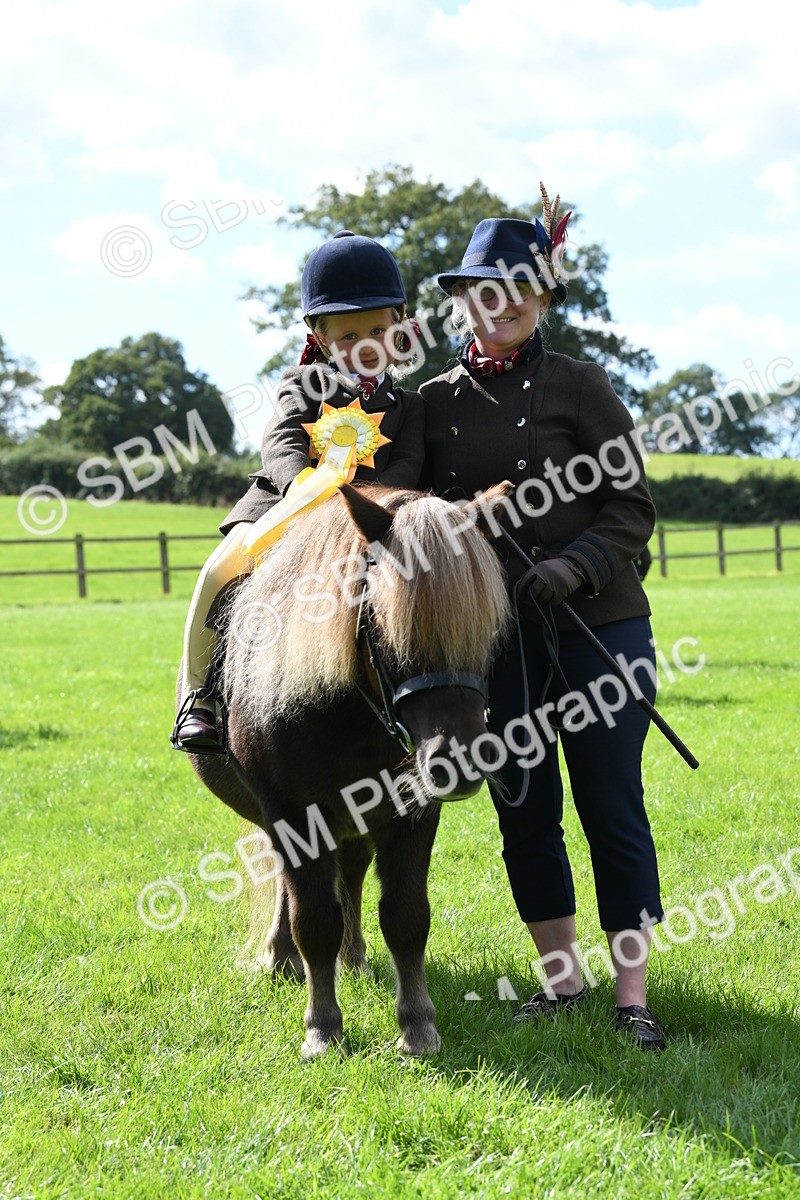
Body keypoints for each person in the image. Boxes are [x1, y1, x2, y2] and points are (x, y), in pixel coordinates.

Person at [419, 197, 667, 1049]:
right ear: (465, 301)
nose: (503, 303)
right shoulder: (430, 404)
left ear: (542, 297)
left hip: (601, 630)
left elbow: (632, 504)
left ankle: (631, 996)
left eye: (521, 288)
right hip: (499, 640)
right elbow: (413, 515)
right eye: (487, 290)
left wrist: (578, 564)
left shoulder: (581, 385)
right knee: (524, 811)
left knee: (612, 805)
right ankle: (561, 983)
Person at [171, 230, 424, 754]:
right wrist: (303, 489)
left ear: (399, 322)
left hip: (372, 521)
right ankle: (202, 698)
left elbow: (408, 464)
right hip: (283, 509)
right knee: (216, 572)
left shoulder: (412, 406)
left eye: (376, 330)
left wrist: (362, 505)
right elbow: (282, 438)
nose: (365, 346)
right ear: (321, 334)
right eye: (349, 336)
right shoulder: (302, 382)